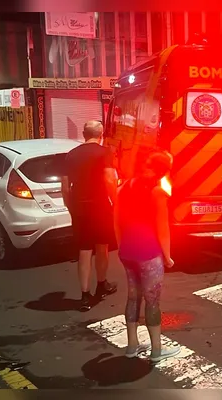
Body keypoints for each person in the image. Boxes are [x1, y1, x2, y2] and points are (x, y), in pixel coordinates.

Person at [114, 152, 180, 363]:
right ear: (164, 171)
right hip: (149, 253)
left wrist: (121, 246)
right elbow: (163, 228)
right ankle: (157, 350)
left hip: (127, 251)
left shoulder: (123, 187)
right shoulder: (157, 192)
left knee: (133, 297)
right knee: (152, 301)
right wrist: (168, 256)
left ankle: (132, 346)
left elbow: (116, 221)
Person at [61, 120, 118, 312]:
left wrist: (71, 209)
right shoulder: (104, 152)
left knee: (84, 251)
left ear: (84, 134)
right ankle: (102, 285)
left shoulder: (71, 155)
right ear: (101, 133)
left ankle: (84, 296)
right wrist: (116, 203)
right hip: (100, 205)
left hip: (79, 206)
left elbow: (65, 187)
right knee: (102, 247)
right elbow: (110, 179)